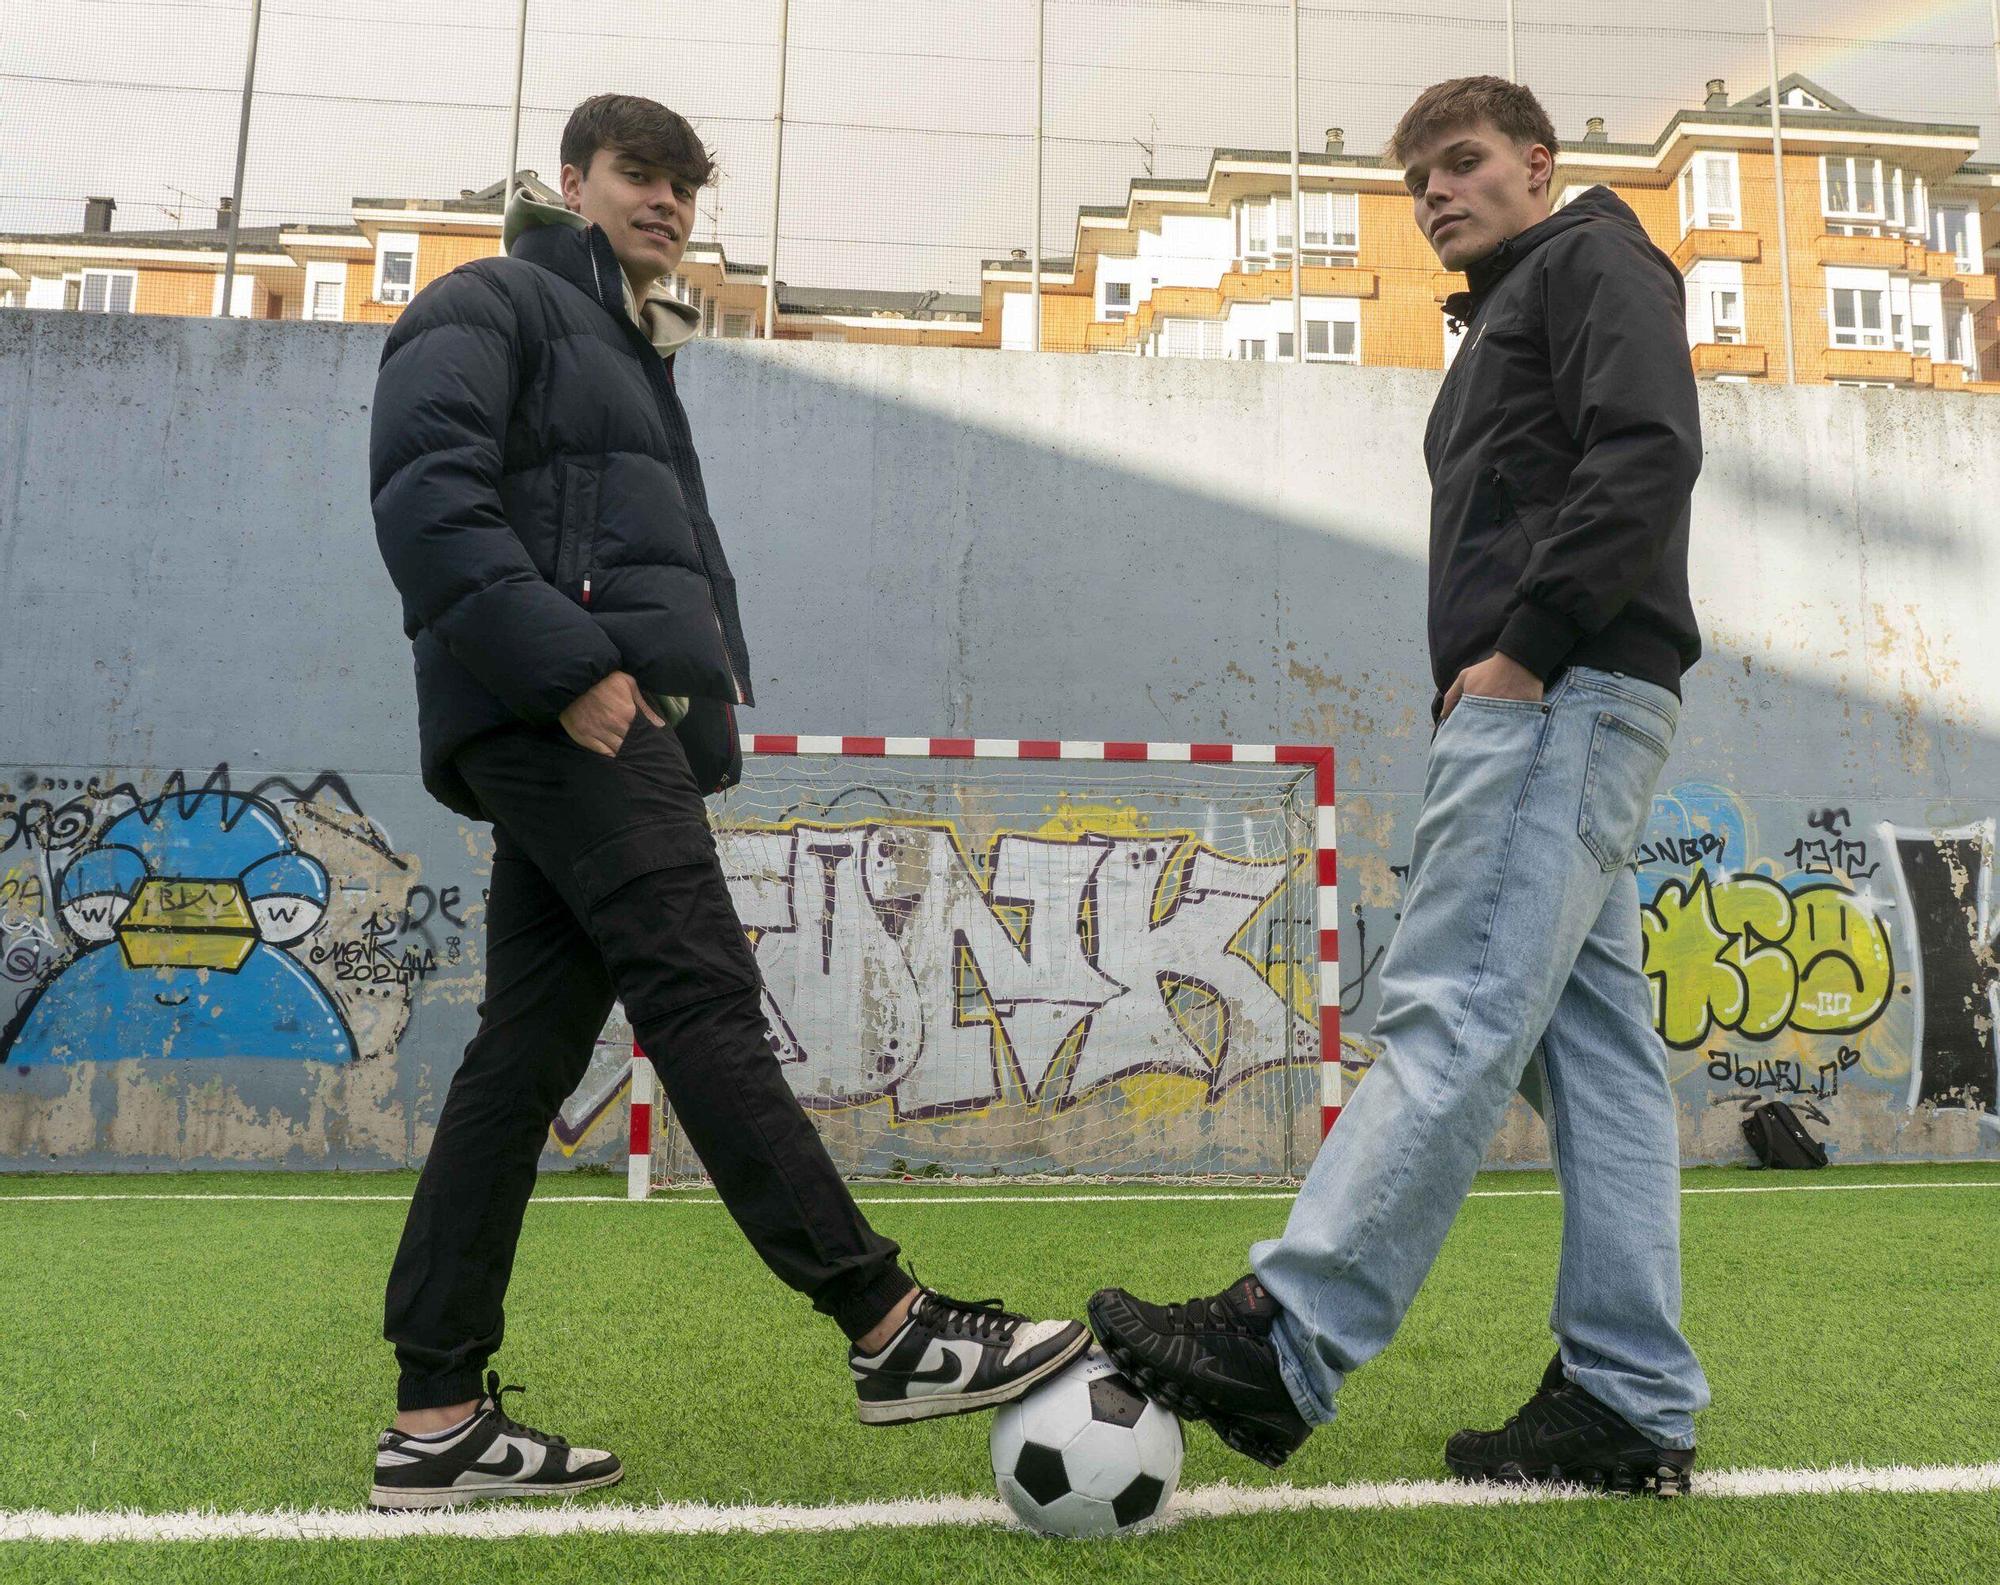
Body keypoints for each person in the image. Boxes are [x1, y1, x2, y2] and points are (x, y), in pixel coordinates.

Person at [365, 93, 1085, 1513]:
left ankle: (436, 1416)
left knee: (521, 1057)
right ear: (573, 180)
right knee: (700, 994)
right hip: (564, 713)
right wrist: (575, 673)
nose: (668, 204)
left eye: (686, 187)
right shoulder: (492, 302)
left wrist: (686, 712)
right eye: (640, 175)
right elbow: (425, 504)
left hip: (592, 716)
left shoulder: (631, 347)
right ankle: (889, 1325)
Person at [1088, 75, 1710, 1495]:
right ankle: (1628, 1398)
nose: (1435, 191)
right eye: (1417, 176)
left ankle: (1288, 1335)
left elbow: (1648, 452)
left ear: (1537, 163)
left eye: (1463, 161)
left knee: (1455, 1008)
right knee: (1600, 1064)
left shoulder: (1592, 260)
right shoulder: (1512, 305)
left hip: (1560, 691)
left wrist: (1524, 652)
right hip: (1574, 698)